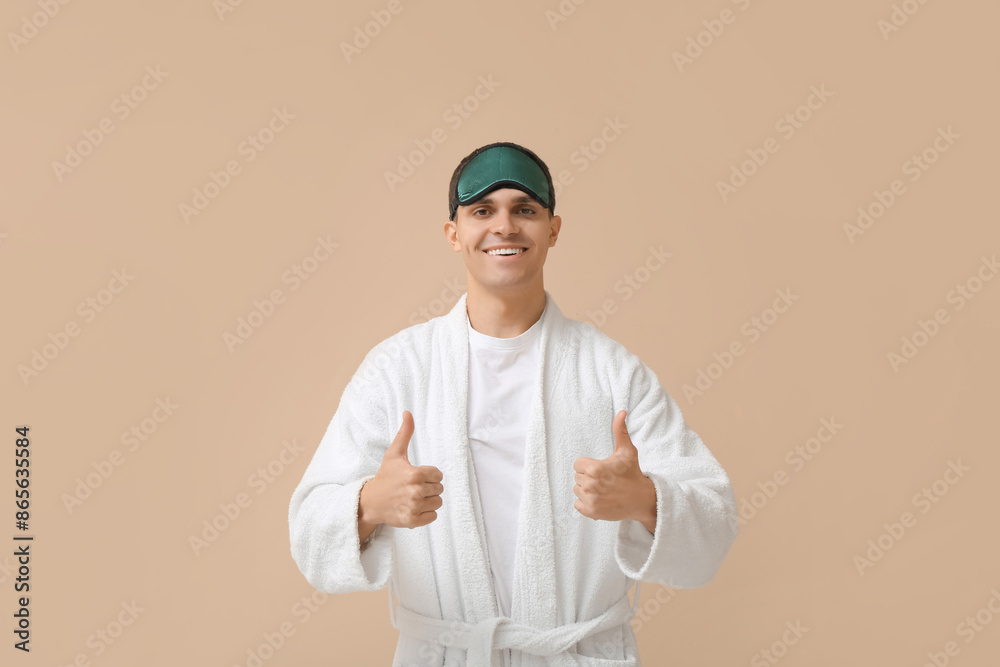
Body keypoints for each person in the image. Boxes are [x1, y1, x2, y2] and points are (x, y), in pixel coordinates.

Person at [288, 141, 739, 666]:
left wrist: (644, 500)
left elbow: (714, 526)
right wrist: (368, 505)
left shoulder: (613, 373)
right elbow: (309, 535)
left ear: (553, 229)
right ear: (453, 234)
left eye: (524, 209)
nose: (504, 226)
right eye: (483, 210)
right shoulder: (398, 370)